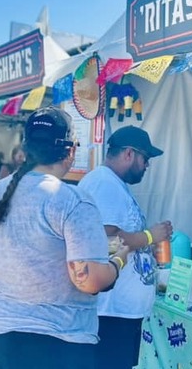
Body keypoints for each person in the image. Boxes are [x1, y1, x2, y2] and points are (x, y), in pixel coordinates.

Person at [0, 107, 127, 369]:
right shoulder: (73, 200)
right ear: (71, 151)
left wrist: (13, 270)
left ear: (25, 148)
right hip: (59, 341)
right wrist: (118, 261)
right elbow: (90, 281)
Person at [78, 125, 172, 369]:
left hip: (121, 312)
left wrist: (145, 246)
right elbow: (106, 240)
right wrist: (150, 236)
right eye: (146, 158)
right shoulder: (104, 184)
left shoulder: (113, 184)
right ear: (129, 154)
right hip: (112, 312)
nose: (147, 165)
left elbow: (121, 237)